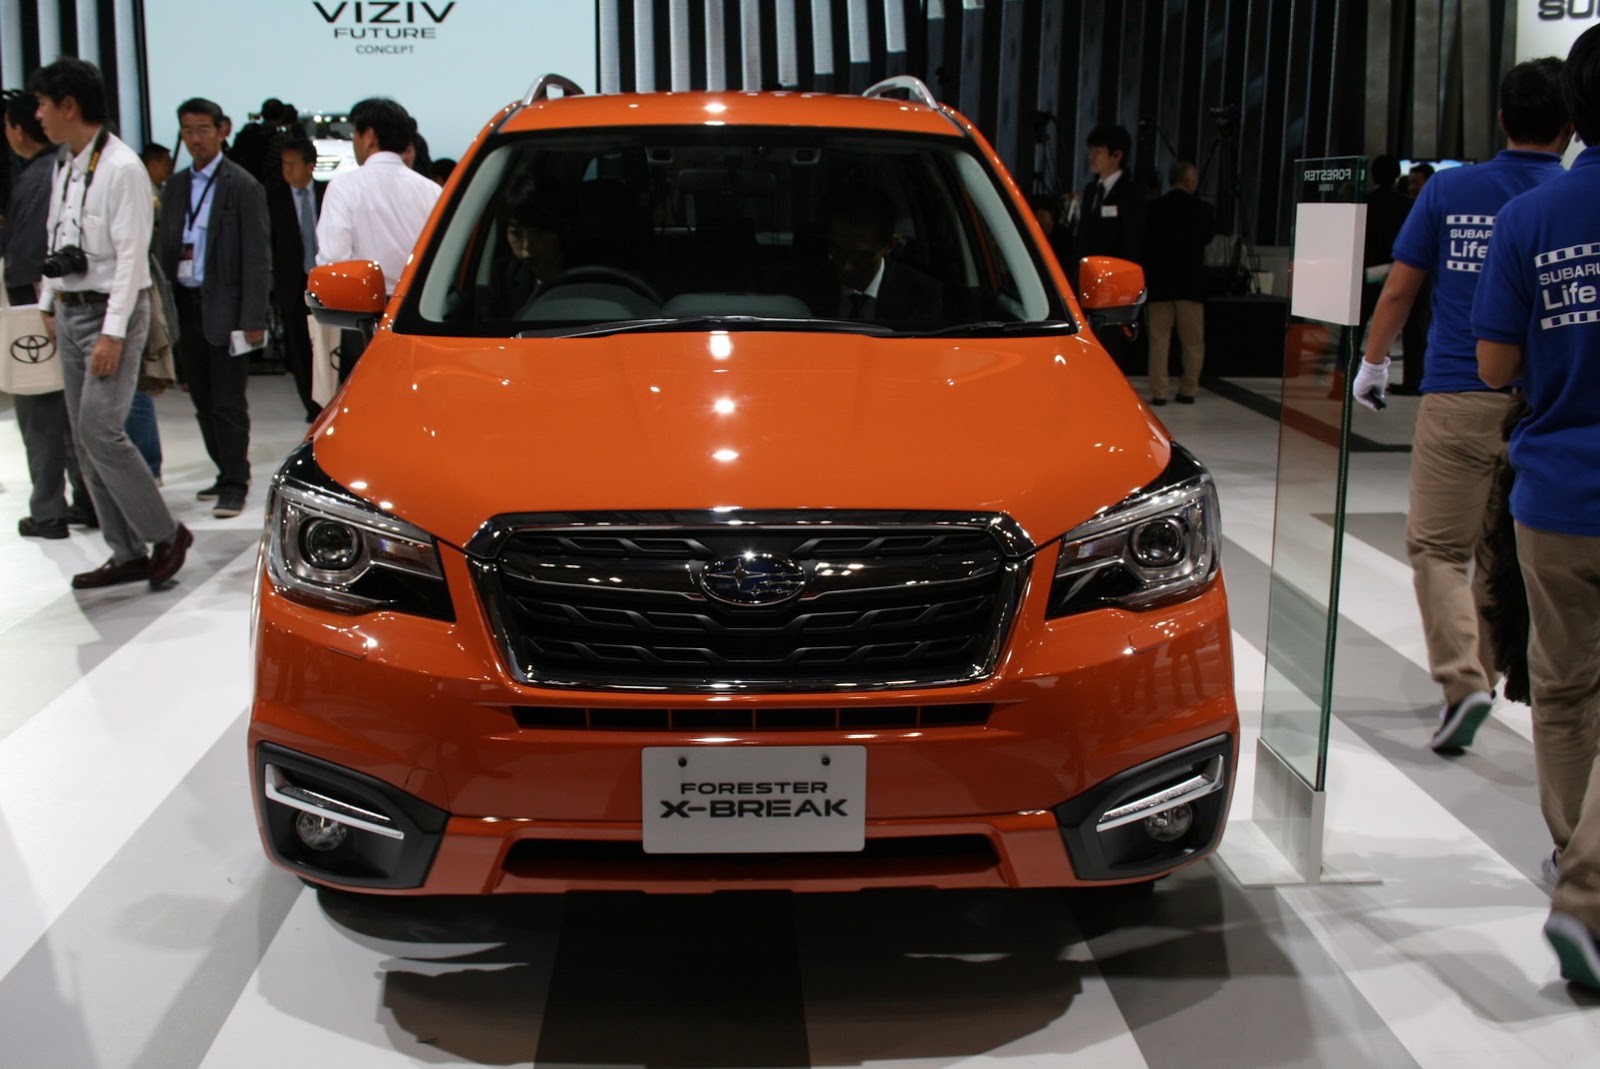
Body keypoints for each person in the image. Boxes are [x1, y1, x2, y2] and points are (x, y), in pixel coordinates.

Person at [1353, 58, 1572, 753]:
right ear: (1569, 128)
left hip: (1456, 392)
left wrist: (1373, 362)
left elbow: (1400, 289)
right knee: (1496, 548)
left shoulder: (1451, 190)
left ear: (1501, 119)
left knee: (1438, 547)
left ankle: (1463, 680)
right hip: (1541, 402)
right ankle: (1487, 670)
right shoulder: (1568, 198)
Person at [1473, 23, 1600, 994]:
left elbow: (1494, 365)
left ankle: (1570, 851)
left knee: (1561, 686)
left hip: (1552, 491)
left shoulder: (1531, 218)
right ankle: (1588, 895)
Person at [29, 58, 190, 589]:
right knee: (84, 437)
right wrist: (49, 300)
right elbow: (57, 237)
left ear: (68, 105)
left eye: (43, 104)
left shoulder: (121, 168)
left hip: (109, 313)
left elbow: (130, 261)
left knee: (101, 431)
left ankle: (166, 534)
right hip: (70, 308)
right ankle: (126, 552)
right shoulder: (65, 163)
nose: (38, 115)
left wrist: (112, 333)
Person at [156, 96, 271, 519]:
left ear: (222, 131)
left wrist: (254, 317)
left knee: (228, 402)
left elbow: (257, 257)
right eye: (187, 131)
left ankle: (236, 483)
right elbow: (164, 247)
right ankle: (224, 472)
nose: (195, 139)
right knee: (201, 400)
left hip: (228, 308)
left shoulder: (242, 185)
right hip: (185, 305)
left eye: (203, 130)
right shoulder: (175, 186)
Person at [1, 88, 95, 539]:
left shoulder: (40, 175)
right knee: (71, 415)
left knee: (40, 414)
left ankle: (48, 511)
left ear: (19, 130)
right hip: (64, 303)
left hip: (37, 308)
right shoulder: (64, 168)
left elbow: (25, 258)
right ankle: (86, 502)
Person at [315, 97, 439, 380]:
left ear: (369, 135)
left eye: (354, 134)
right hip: (424, 318)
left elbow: (334, 260)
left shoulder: (344, 188)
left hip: (364, 323)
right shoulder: (432, 191)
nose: (354, 142)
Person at [809, 183, 941, 322]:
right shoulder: (809, 287)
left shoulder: (920, 296)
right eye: (839, 251)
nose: (847, 267)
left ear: (890, 245)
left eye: (862, 257)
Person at [1143, 160, 1215, 405]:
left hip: (1159, 284)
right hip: (1190, 284)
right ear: (1189, 181)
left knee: (1159, 340)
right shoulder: (1202, 209)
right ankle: (1188, 389)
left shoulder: (1154, 208)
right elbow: (1207, 237)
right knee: (1193, 342)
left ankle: (1159, 391)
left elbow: (1146, 242)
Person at [1075, 125, 1145, 366]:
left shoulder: (1130, 193)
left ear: (1117, 155)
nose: (1092, 156)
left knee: (1111, 347)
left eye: (1098, 151)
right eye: (1091, 150)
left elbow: (1132, 242)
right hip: (1087, 282)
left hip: (1114, 287)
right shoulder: (1091, 190)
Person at [268, 134, 323, 420]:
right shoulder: (273, 198)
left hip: (325, 281)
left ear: (310, 165)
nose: (287, 170)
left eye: (293, 164)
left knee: (326, 345)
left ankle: (330, 402)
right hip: (292, 283)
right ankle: (311, 408)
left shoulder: (328, 193)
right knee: (300, 349)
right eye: (284, 164)